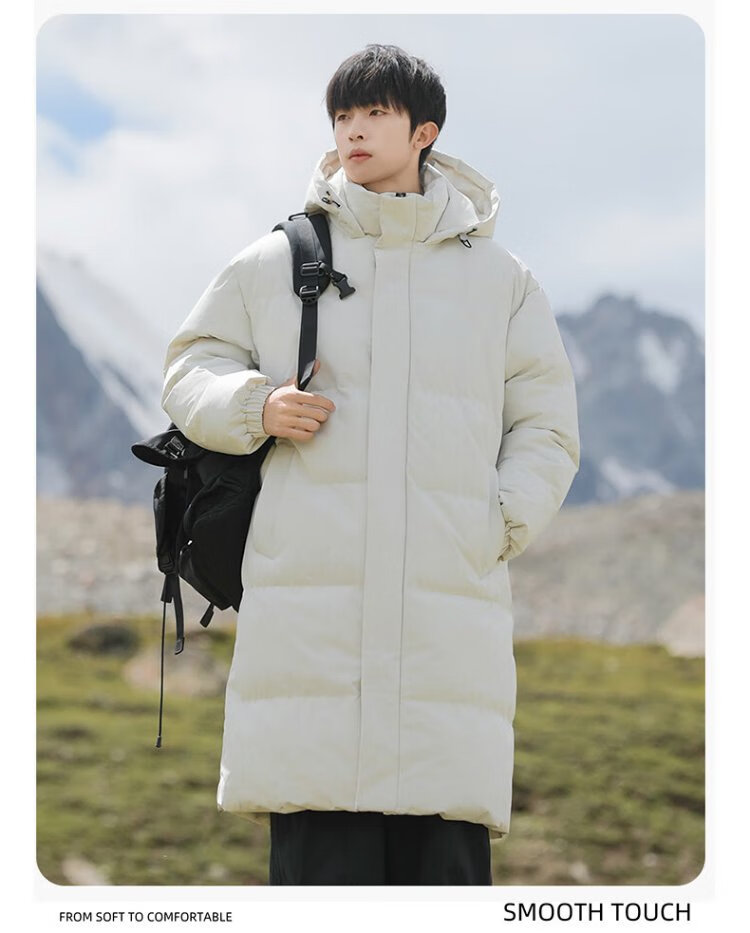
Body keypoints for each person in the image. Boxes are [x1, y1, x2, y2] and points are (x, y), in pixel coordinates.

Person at [161, 43, 580, 886]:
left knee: (443, 882)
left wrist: (497, 521)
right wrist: (256, 406)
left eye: (375, 114)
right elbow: (188, 367)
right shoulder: (276, 260)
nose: (352, 131)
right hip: (307, 627)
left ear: (425, 132)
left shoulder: (503, 282)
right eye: (342, 116)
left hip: (446, 623)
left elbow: (547, 425)